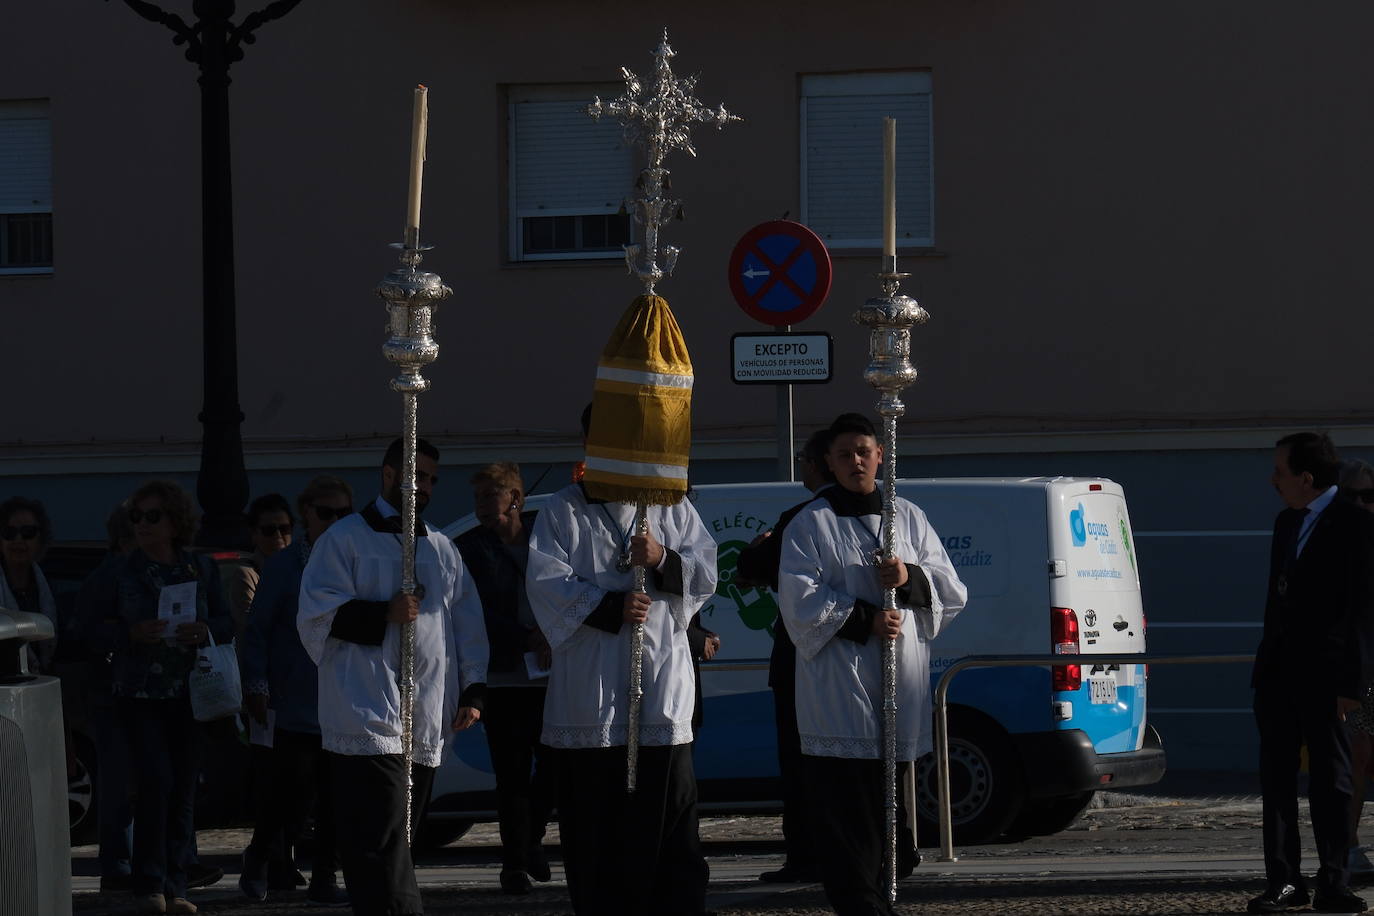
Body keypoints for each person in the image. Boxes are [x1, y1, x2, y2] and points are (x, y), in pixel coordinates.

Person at [526, 410, 719, 916]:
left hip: (659, 690)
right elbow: (546, 584)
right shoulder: (564, 510)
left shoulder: (670, 504)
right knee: (596, 831)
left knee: (670, 827)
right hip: (591, 698)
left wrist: (660, 558)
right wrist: (610, 606)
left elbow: (706, 573)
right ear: (589, 442)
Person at [779, 413, 967, 916]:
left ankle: (883, 891)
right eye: (844, 454)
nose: (855, 461)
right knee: (847, 815)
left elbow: (951, 589)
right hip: (838, 691)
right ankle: (861, 905)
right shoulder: (810, 523)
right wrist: (865, 620)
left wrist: (908, 577)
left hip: (897, 686)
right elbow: (799, 602)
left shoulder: (907, 515)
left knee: (889, 813)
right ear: (829, 463)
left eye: (863, 450)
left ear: (881, 454)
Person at [298, 438, 488, 916]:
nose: (422, 487)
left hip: (425, 711)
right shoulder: (345, 539)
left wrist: (472, 688)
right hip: (366, 709)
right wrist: (382, 612)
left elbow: (466, 623)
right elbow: (315, 615)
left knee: (401, 834)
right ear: (388, 475)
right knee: (378, 833)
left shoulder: (443, 548)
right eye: (414, 476)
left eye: (430, 479)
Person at [86, 480, 233, 916]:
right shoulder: (120, 571)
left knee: (184, 786)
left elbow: (225, 621)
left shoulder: (198, 569)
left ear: (175, 522)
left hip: (191, 692)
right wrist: (128, 633)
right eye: (137, 517)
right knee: (156, 783)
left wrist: (205, 630)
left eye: (153, 516)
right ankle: (149, 883)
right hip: (139, 693)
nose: (143, 525)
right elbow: (88, 626)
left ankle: (177, 884)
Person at [1249, 432, 1374, 914]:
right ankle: (1283, 880)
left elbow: (1363, 609)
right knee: (1276, 781)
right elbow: (1275, 601)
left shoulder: (1355, 525)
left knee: (1332, 781)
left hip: (1329, 678)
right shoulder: (1286, 523)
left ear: (1306, 477)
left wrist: (1352, 683)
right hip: (1279, 675)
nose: (1273, 480)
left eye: (1280, 471)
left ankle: (1334, 881)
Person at [239, 475, 354, 906]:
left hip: (343, 697)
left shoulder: (353, 558)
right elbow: (258, 631)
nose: (335, 521)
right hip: (296, 699)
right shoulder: (286, 565)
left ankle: (326, 875)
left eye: (343, 513)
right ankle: (258, 857)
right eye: (326, 512)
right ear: (306, 514)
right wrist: (257, 685)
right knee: (288, 795)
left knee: (335, 796)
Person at [735, 429, 834, 884]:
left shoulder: (802, 517)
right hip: (849, 659)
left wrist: (756, 551)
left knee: (800, 765)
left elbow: (750, 570)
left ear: (819, 464)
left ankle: (806, 856)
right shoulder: (887, 515)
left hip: (801, 660)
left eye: (805, 460)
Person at [454, 462, 553, 896]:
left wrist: (551, 634)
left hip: (551, 676)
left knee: (553, 768)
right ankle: (513, 863)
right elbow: (472, 611)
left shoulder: (545, 540)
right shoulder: (471, 549)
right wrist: (524, 636)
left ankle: (530, 841)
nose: (480, 506)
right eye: (476, 497)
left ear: (515, 498)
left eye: (489, 496)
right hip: (503, 678)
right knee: (511, 775)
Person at [75, 501, 138, 893]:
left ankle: (123, 865)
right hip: (114, 692)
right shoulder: (111, 576)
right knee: (120, 784)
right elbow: (87, 632)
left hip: (121, 692)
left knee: (127, 782)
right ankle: (118, 867)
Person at [1343, 458, 1374, 881]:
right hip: (1352, 665)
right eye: (1357, 496)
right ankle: (1345, 845)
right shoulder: (1336, 541)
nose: (1366, 505)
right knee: (1356, 756)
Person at [0, 495, 58, 673]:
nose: (18, 540)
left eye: (27, 532)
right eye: (9, 533)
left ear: (41, 537)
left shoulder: (50, 586)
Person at [227, 493, 294, 644]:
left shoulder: (303, 570)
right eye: (269, 530)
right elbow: (254, 626)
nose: (278, 536)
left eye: (284, 529)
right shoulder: (246, 574)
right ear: (254, 534)